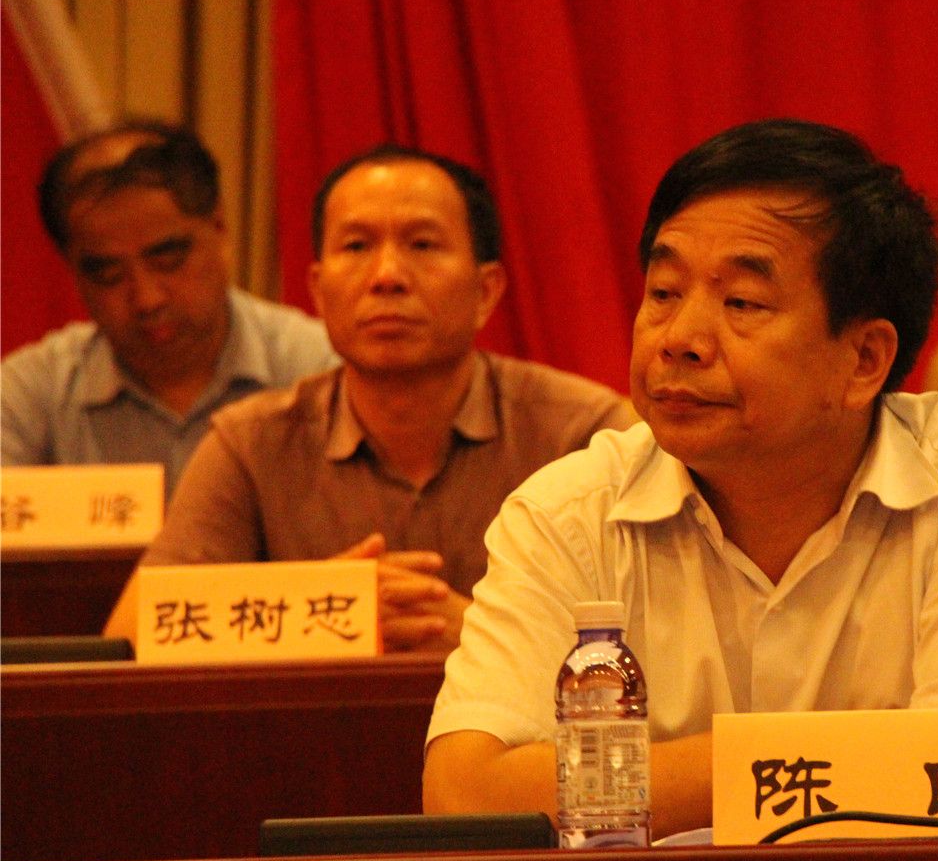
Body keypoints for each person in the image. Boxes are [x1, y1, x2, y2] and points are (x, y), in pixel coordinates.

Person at [423, 119, 938, 836]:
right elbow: (464, 794)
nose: (678, 340)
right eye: (664, 292)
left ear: (863, 360)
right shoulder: (567, 512)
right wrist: (807, 762)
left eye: (741, 304)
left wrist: (632, 779)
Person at [103, 145, 635, 651]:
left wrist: (482, 637)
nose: (386, 277)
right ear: (318, 292)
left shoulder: (585, 434)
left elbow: (666, 638)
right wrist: (323, 609)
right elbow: (129, 635)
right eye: (356, 247)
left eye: (422, 245)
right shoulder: (252, 444)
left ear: (486, 291)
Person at [2, 121, 337, 496]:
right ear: (72, 270)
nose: (147, 299)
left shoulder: (322, 373)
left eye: (168, 260)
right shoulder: (31, 395)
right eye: (109, 275)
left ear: (219, 228)